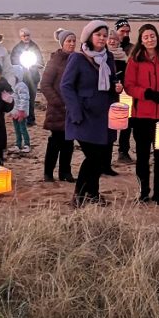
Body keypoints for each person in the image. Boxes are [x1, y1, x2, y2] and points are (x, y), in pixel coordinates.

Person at [60, 20, 120, 207]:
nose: (102, 38)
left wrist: (116, 87)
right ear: (89, 36)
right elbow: (66, 86)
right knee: (93, 157)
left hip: (103, 116)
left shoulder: (108, 57)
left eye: (104, 35)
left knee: (101, 158)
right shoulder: (78, 58)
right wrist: (76, 112)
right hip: (84, 117)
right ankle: (78, 196)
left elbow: (110, 81)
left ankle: (93, 194)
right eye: (98, 35)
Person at [124, 23, 159, 205]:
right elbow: (129, 85)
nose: (150, 39)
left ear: (157, 37)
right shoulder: (135, 60)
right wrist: (146, 93)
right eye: (146, 37)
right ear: (141, 40)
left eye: (152, 36)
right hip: (142, 116)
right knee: (142, 156)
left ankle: (158, 193)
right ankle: (143, 192)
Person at [41, 29, 77, 183]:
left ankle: (65, 172)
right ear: (62, 43)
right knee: (55, 142)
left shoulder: (77, 60)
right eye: (69, 41)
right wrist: (57, 102)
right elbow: (45, 85)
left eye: (74, 41)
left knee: (69, 142)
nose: (72, 44)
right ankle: (48, 173)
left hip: (72, 109)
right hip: (57, 109)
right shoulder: (55, 60)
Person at [107, 29, 133, 165]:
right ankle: (106, 158)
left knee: (126, 125)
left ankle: (123, 152)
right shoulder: (102, 57)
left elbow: (128, 76)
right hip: (107, 96)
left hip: (124, 95)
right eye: (110, 39)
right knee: (108, 127)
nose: (112, 41)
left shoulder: (124, 58)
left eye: (115, 40)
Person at [10, 28, 43, 126]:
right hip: (21, 77)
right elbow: (13, 62)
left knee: (31, 98)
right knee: (21, 98)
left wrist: (37, 64)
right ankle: (21, 119)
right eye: (24, 36)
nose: (26, 37)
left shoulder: (35, 47)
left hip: (33, 77)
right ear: (21, 37)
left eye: (28, 35)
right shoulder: (17, 48)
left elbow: (40, 60)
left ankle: (31, 119)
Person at [10, 63, 31, 153]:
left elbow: (24, 99)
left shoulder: (21, 86)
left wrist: (21, 110)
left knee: (23, 128)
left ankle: (27, 144)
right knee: (17, 129)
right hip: (15, 112)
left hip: (21, 112)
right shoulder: (12, 86)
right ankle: (18, 144)